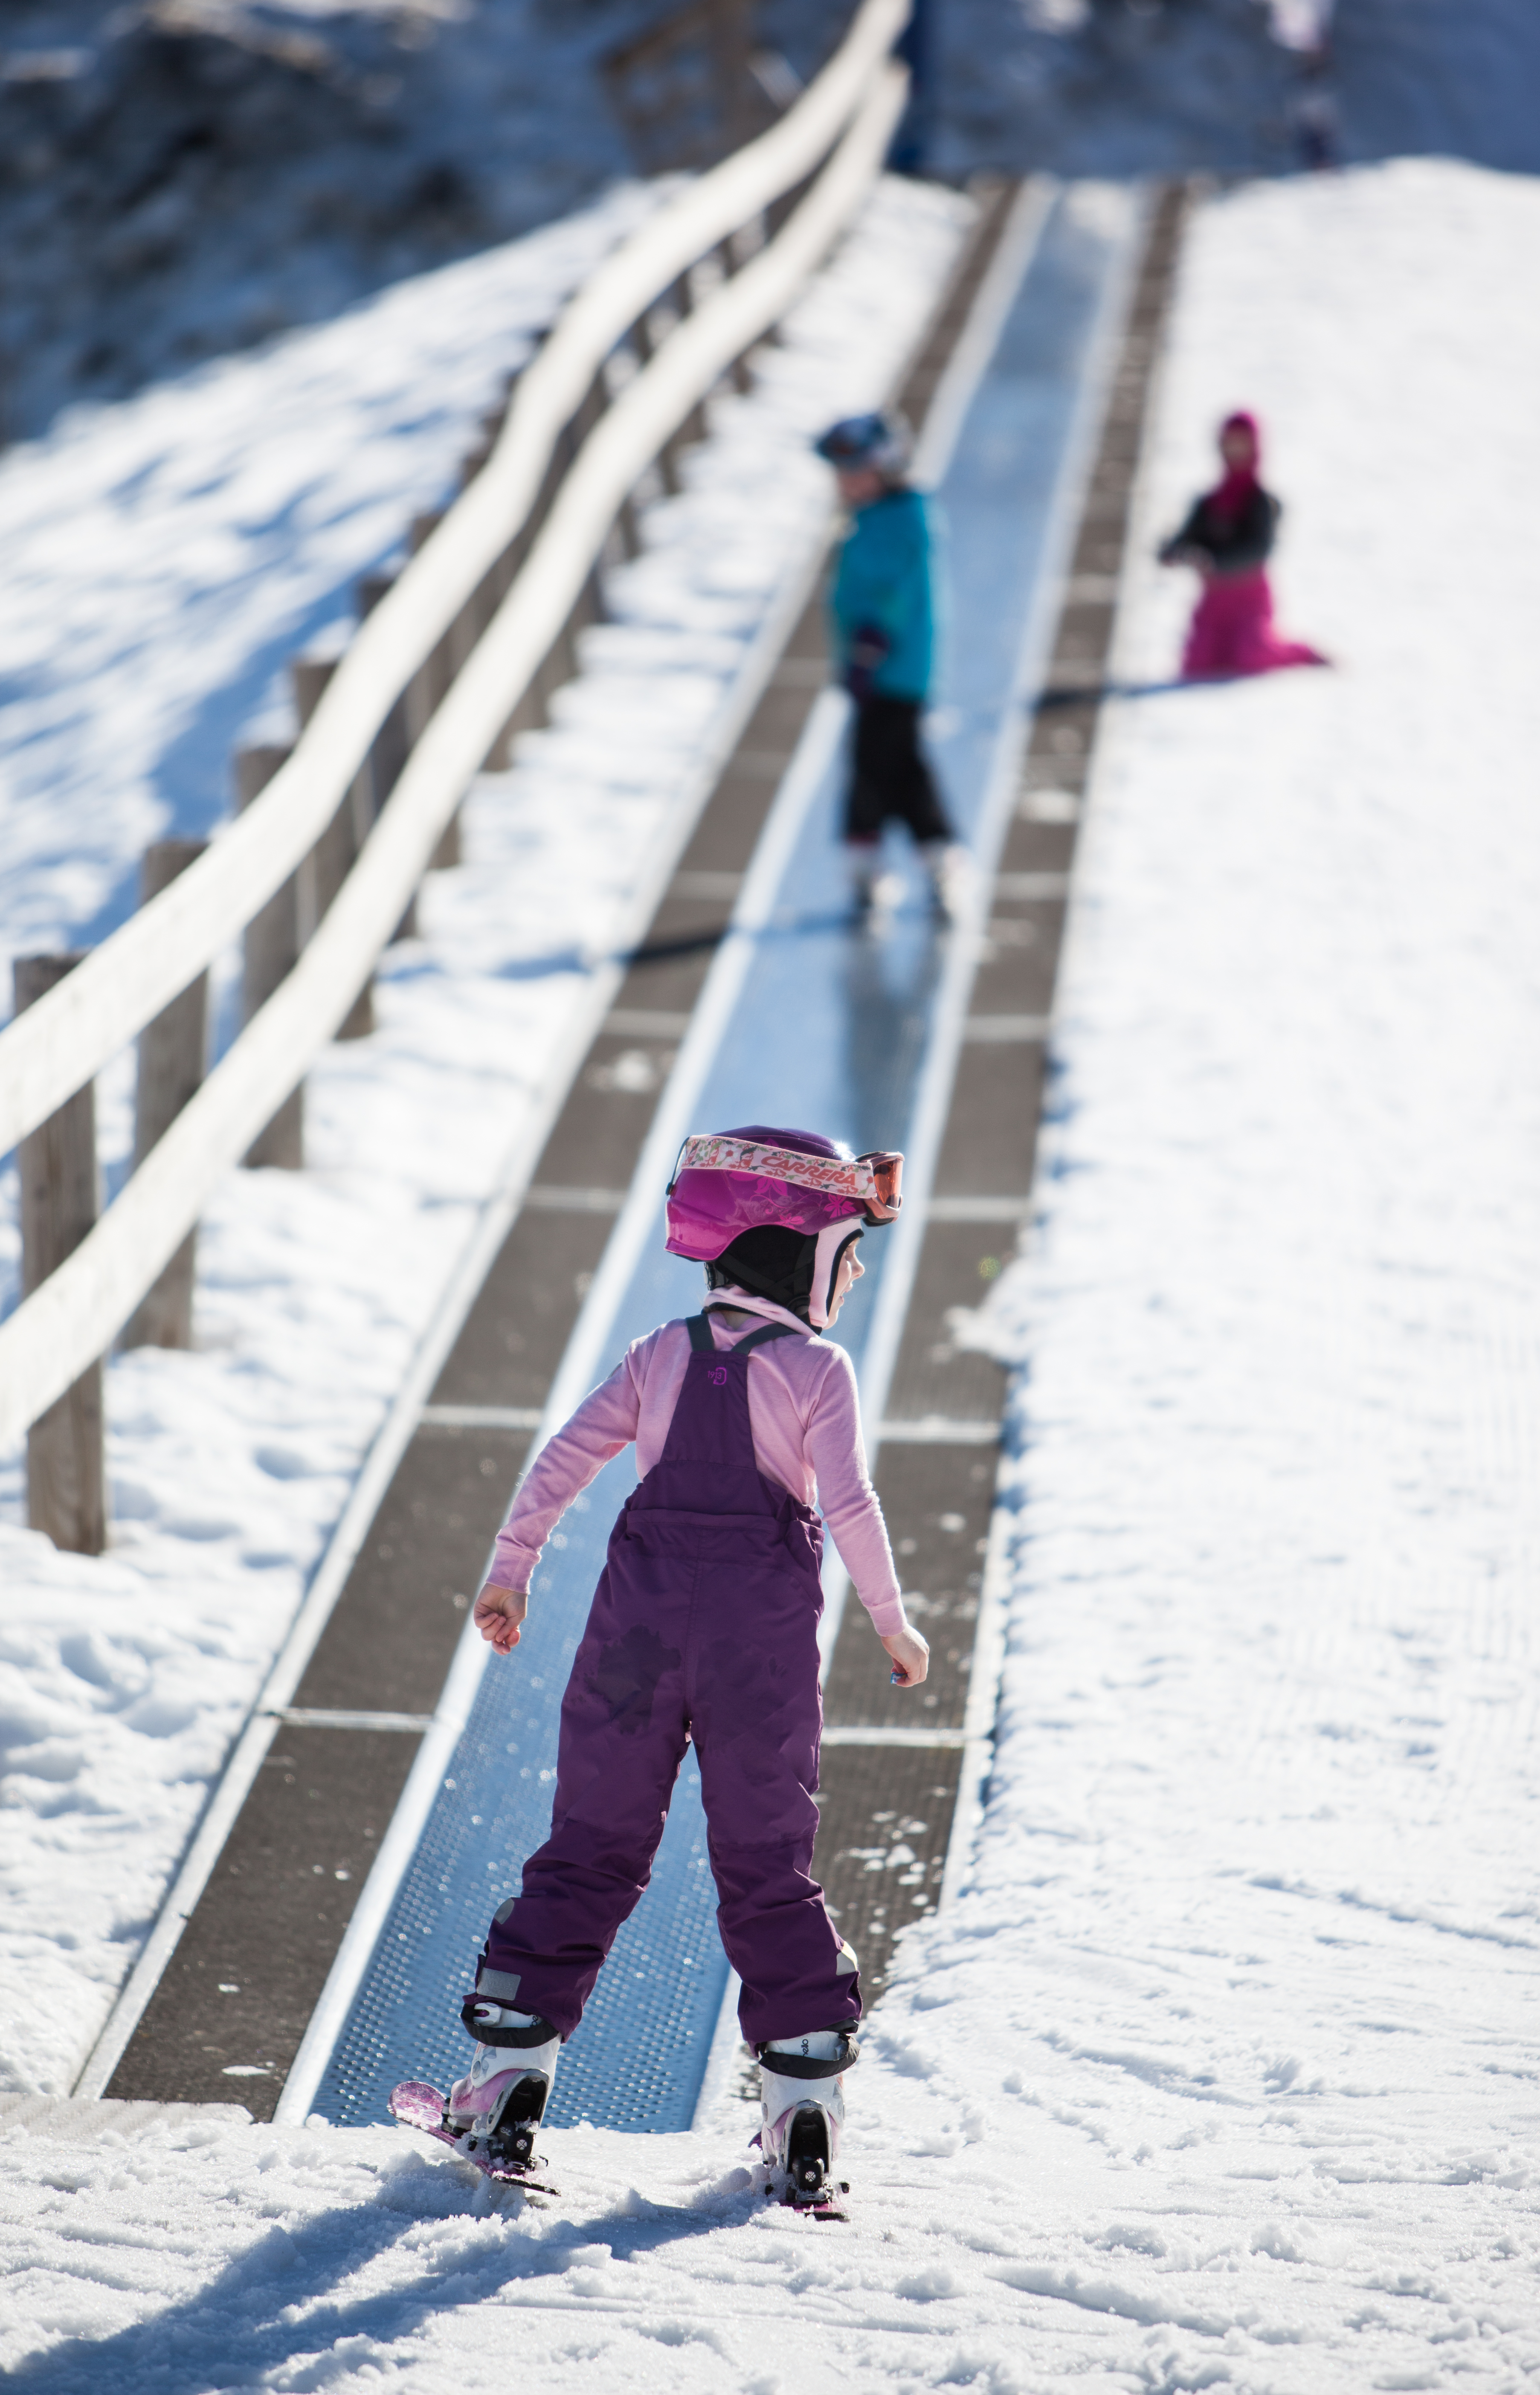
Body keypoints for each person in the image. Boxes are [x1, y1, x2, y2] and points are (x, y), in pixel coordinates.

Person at [448, 1126, 931, 2207]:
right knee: (765, 1858)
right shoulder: (817, 1369)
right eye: (844, 1252)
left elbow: (566, 1455)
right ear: (789, 1249)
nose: (850, 1274)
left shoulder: (657, 1354)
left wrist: (512, 1568)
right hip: (755, 1651)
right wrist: (890, 1622)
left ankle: (507, 2090)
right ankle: (801, 2114)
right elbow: (848, 1500)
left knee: (594, 1840)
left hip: (635, 1634)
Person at [815, 411, 962, 919]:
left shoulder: (903, 519)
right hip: (878, 669)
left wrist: (871, 642)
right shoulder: (874, 519)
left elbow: (898, 590)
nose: (845, 484)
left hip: (895, 669)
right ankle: (903, 858)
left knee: (888, 769)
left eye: (855, 473)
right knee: (887, 766)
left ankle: (899, 859)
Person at [1159, 410, 1328, 680]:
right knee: (1197, 664)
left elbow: (1258, 550)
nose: (1236, 451)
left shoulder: (1262, 503)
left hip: (1250, 602)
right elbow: (1183, 540)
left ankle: (1303, 653)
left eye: (1242, 444)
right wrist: (1174, 553)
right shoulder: (1208, 503)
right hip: (1213, 604)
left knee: (1252, 656)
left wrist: (1215, 562)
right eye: (1230, 444)